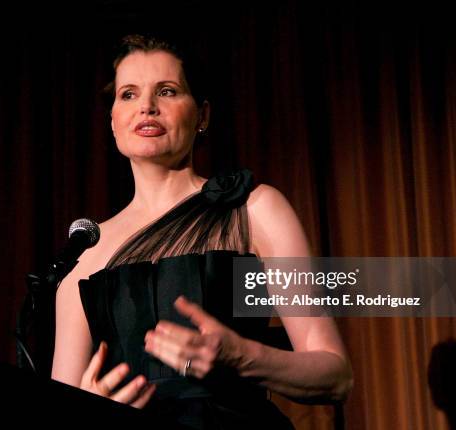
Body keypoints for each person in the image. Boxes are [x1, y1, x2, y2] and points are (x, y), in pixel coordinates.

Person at [51, 34, 353, 429]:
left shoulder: (253, 211)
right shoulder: (85, 255)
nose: (146, 106)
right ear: (112, 121)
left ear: (203, 116)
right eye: (128, 94)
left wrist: (242, 356)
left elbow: (336, 375)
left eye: (167, 91)